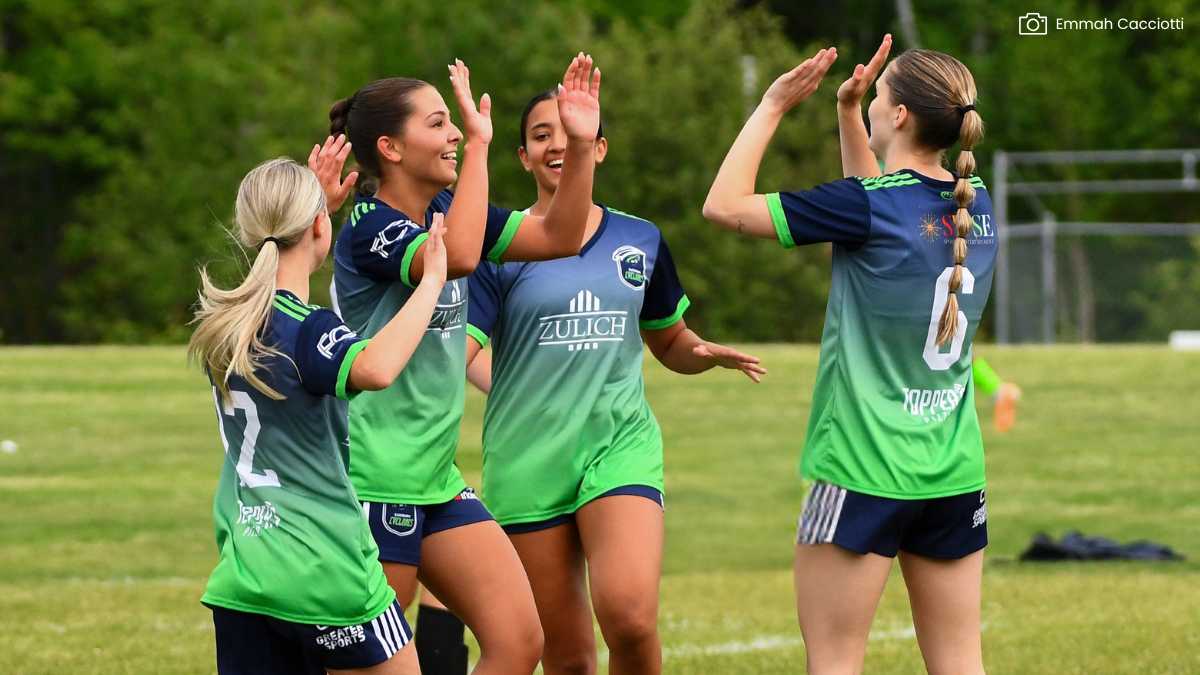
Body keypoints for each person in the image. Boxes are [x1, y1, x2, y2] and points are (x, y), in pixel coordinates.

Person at [703, 38, 993, 675]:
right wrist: (845, 112)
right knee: (960, 662)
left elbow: (723, 205)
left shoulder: (871, 206)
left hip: (862, 469)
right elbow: (881, 203)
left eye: (881, 91)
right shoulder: (978, 207)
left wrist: (773, 105)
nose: (874, 98)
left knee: (833, 661)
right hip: (952, 471)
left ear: (898, 116)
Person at [463, 88, 764, 675]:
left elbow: (670, 341)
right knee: (568, 659)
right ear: (523, 156)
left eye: (569, 132)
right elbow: (465, 352)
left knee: (629, 616)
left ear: (598, 148)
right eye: (540, 134)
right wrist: (517, 389)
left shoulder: (640, 239)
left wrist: (702, 352)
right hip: (528, 457)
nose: (556, 144)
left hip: (617, 446)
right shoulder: (498, 246)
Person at [327, 55, 602, 675]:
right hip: (374, 480)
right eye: (439, 123)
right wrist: (480, 148)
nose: (455, 132)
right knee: (374, 669)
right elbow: (459, 256)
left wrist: (580, 148)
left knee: (519, 641)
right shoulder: (370, 228)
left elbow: (561, 235)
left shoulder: (453, 210)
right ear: (391, 148)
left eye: (456, 124)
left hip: (436, 479)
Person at [190, 157, 451, 674]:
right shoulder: (308, 329)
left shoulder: (227, 327)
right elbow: (375, 369)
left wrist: (314, 216)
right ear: (316, 226)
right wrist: (431, 281)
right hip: (325, 571)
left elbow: (280, 270)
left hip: (246, 574)